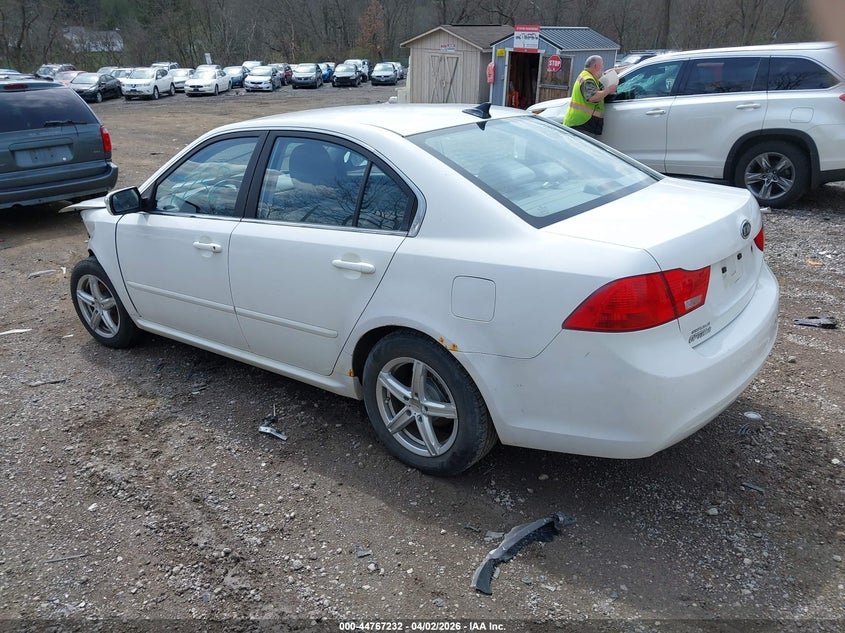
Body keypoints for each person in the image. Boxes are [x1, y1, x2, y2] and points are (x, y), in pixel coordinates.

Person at [563, 55, 617, 136]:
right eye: (602, 64)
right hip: (581, 123)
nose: (603, 67)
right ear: (596, 66)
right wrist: (609, 90)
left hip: (583, 123)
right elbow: (592, 97)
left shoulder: (590, 77)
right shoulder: (587, 79)